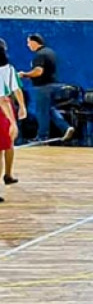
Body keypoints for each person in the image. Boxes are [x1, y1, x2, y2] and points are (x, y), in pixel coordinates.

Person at [19, 33, 74, 143]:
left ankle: (42, 137)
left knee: (42, 112)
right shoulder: (51, 52)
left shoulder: (40, 55)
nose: (28, 45)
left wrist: (24, 74)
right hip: (55, 85)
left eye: (29, 42)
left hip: (44, 88)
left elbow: (38, 72)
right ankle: (66, 127)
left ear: (35, 42)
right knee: (50, 110)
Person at [0, 38, 27, 196]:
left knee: (6, 144)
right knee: (7, 143)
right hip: (4, 109)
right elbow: (14, 91)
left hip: (4, 107)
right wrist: (21, 108)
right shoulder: (8, 69)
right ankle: (8, 174)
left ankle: (8, 174)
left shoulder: (8, 69)